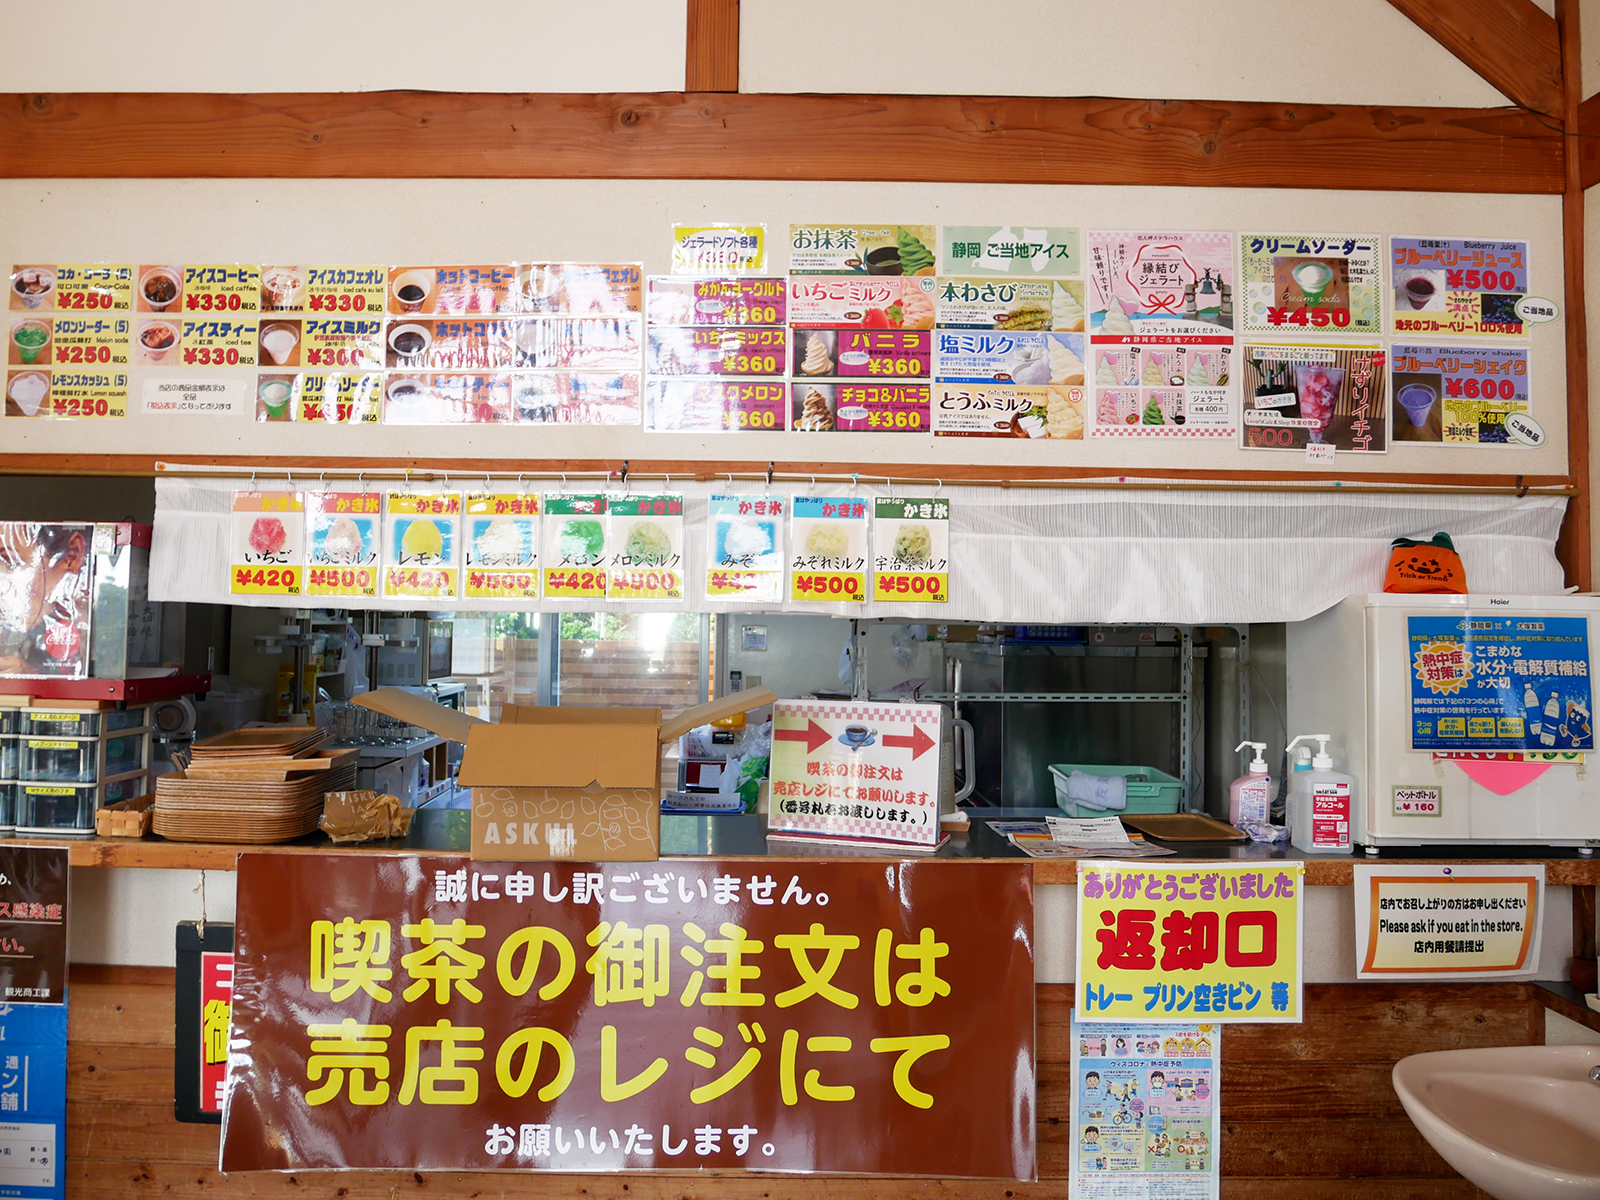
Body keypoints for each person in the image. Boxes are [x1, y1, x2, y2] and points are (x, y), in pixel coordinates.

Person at [0, 524, 90, 677]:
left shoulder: (94, 640)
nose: (3, 584)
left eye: (10, 562)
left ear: (72, 555)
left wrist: (29, 680)